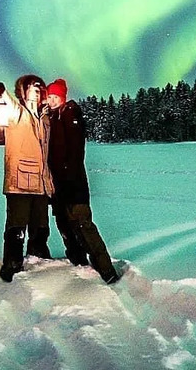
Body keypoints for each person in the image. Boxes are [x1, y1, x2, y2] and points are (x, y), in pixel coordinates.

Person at [46, 77, 119, 284]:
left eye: (54, 97)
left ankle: (107, 271)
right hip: (59, 185)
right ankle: (79, 262)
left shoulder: (70, 115)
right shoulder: (54, 117)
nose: (50, 100)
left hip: (73, 184)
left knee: (83, 225)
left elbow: (76, 152)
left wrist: (68, 177)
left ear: (62, 97)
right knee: (64, 225)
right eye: (48, 97)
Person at [0, 75, 54, 282]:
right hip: (19, 181)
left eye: (39, 87)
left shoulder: (45, 116)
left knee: (41, 226)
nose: (37, 90)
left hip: (41, 181)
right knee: (17, 226)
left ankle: (38, 257)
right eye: (32, 87)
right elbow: (3, 110)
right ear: (22, 90)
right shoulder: (17, 112)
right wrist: (0, 95)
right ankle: (12, 263)